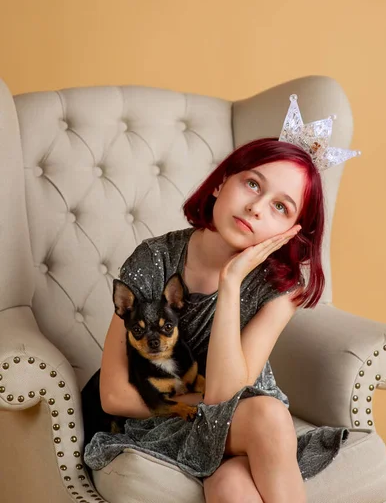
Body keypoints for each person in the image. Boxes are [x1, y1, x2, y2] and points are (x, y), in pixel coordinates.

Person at [84, 96, 359, 502]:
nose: (255, 208)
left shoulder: (283, 288)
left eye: (280, 207)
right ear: (221, 182)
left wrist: (232, 284)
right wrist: (194, 402)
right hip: (184, 423)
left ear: (293, 230)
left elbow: (227, 393)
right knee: (260, 428)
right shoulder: (153, 259)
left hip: (249, 424)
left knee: (236, 480)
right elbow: (114, 395)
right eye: (252, 184)